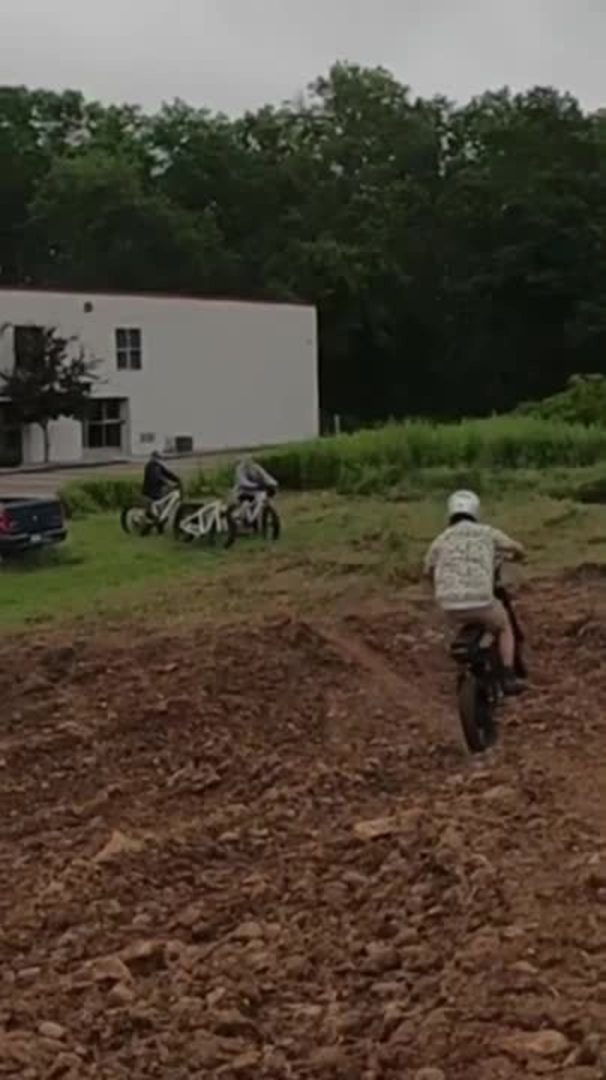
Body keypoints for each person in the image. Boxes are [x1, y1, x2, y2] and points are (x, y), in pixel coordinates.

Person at [424, 490, 525, 696]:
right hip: (481, 600)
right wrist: (519, 554)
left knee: (461, 619)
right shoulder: (487, 532)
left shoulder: (441, 539)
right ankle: (508, 676)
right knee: (504, 626)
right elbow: (515, 548)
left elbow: (427, 569)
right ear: (476, 511)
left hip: (448, 605)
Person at [142, 450, 180, 517]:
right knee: (156, 511)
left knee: (162, 508)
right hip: (150, 491)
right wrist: (168, 483)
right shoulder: (150, 466)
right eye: (157, 457)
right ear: (153, 458)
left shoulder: (158, 466)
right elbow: (157, 477)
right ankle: (150, 516)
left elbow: (167, 473)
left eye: (159, 458)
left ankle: (159, 518)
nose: (158, 459)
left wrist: (177, 479)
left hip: (157, 490)